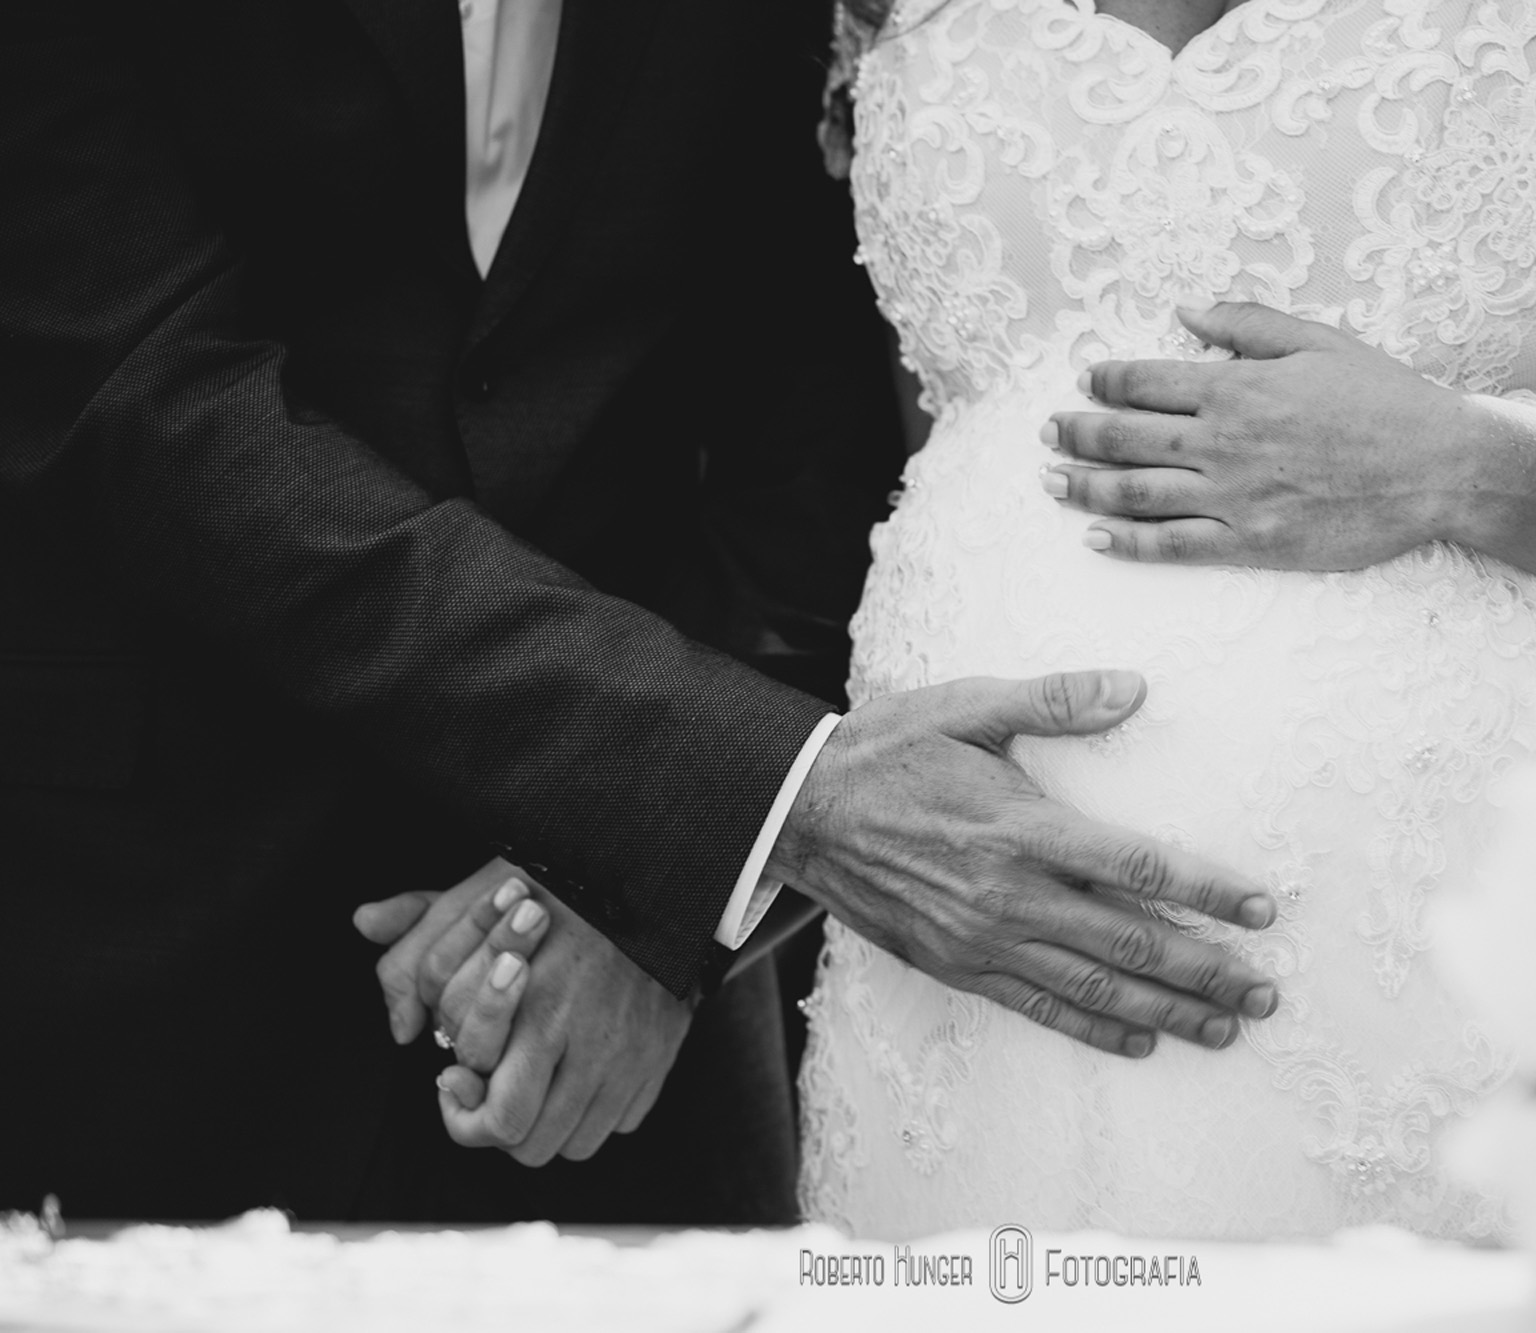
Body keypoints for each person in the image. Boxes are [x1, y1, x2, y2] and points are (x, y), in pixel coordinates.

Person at [377, 0, 1536, 1242]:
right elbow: (863, 512)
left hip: (1498, 972)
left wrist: (1489, 471)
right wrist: (680, 864)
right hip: (965, 1000)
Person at [0, 0, 1279, 1225]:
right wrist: (753, 801)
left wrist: (651, 893)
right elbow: (145, 410)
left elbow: (809, 419)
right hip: (162, 935)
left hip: (622, 1012)